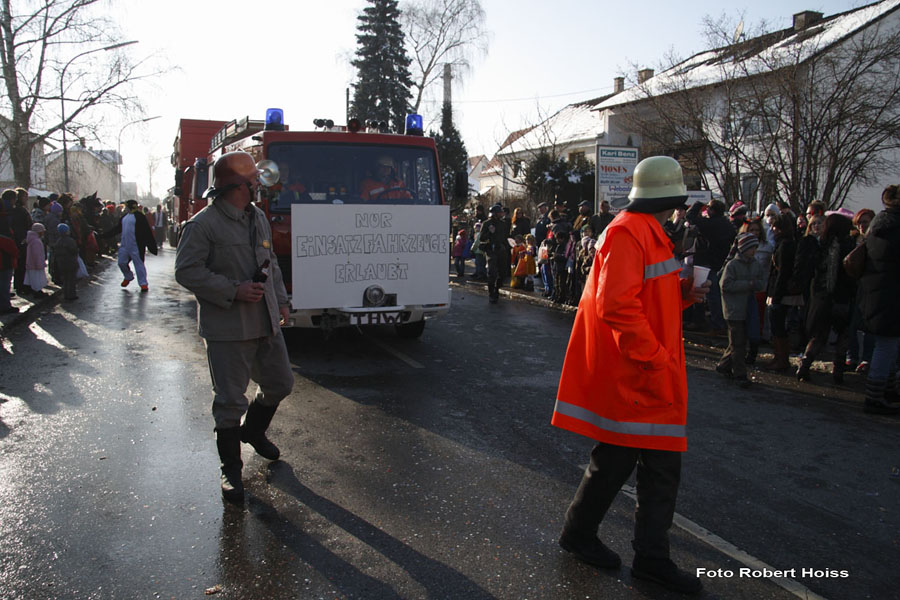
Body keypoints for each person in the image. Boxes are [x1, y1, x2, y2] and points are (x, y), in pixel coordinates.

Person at [553, 156, 709, 595]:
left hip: (643, 372)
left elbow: (639, 302)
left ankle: (616, 548)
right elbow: (617, 306)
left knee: (629, 463)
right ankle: (637, 556)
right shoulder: (630, 233)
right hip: (639, 375)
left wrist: (682, 296)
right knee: (640, 465)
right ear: (673, 198)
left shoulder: (644, 232)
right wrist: (656, 359)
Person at [174, 151, 294, 501]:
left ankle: (254, 432)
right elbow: (186, 270)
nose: (259, 185)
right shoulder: (203, 224)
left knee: (280, 383)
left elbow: (269, 261)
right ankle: (230, 471)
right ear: (237, 186)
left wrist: (282, 301)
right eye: (253, 181)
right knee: (229, 402)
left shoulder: (256, 216)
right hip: (227, 328)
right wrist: (233, 290)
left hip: (265, 320)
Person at [795, 214, 856, 383]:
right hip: (842, 297)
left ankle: (804, 365)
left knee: (818, 335)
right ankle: (838, 372)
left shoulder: (820, 245)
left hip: (821, 298)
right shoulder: (848, 245)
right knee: (843, 335)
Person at [857, 185, 900, 414]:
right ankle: (875, 396)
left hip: (875, 293)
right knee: (887, 345)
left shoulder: (878, 226)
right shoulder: (895, 228)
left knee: (889, 345)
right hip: (890, 295)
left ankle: (886, 389)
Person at [716, 232, 765, 387]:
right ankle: (740, 373)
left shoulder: (755, 264)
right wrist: (748, 284)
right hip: (733, 309)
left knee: (738, 341)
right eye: (751, 248)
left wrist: (755, 284)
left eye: (755, 248)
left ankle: (724, 365)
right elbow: (725, 285)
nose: (754, 251)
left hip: (748, 308)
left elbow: (761, 282)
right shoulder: (732, 265)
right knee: (738, 343)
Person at [685, 199, 736, 334]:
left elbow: (690, 216)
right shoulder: (727, 225)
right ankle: (717, 322)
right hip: (719, 261)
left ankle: (705, 322)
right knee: (714, 294)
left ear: (711, 210)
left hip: (704, 260)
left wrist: (697, 203)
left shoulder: (709, 224)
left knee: (701, 292)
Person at [764, 213, 800, 371]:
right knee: (777, 325)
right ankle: (779, 357)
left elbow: (782, 272)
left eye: (775, 226)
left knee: (778, 325)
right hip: (779, 290)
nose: (772, 229)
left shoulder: (785, 245)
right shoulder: (785, 243)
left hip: (780, 291)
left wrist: (775, 295)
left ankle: (782, 359)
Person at [100, 199, 158, 292]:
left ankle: (143, 284)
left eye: (126, 206)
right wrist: (104, 235)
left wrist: (151, 245)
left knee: (139, 265)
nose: (125, 208)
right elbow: (117, 229)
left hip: (136, 246)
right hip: (125, 245)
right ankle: (128, 276)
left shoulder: (140, 217)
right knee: (121, 262)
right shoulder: (124, 218)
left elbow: (147, 232)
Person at [478, 204, 506, 303]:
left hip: (501, 250)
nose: (501, 214)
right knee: (492, 272)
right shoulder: (486, 223)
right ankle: (491, 293)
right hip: (491, 249)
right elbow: (481, 238)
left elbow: (505, 237)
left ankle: (497, 289)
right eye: (499, 212)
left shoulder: (503, 224)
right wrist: (490, 232)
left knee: (502, 273)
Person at [10, 188, 32, 296]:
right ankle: (21, 286)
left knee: (21, 264)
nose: (26, 199)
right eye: (25, 197)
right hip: (21, 240)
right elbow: (21, 225)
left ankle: (19, 286)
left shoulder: (17, 210)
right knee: (22, 264)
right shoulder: (19, 210)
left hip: (20, 239)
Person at [0, 203, 19, 314]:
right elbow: (7, 241)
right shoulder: (3, 221)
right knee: (4, 283)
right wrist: (15, 252)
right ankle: (4, 306)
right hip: (4, 258)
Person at [53, 223, 79, 301]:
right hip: (70, 263)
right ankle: (71, 295)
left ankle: (66, 294)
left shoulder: (58, 241)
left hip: (61, 263)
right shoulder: (70, 241)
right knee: (71, 280)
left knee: (65, 280)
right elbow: (74, 250)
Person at [23, 223, 48, 297]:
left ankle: (36, 291)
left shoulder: (32, 240)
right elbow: (37, 254)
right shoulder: (36, 241)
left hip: (31, 263)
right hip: (36, 264)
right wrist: (39, 264)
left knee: (33, 279)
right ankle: (37, 292)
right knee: (37, 279)